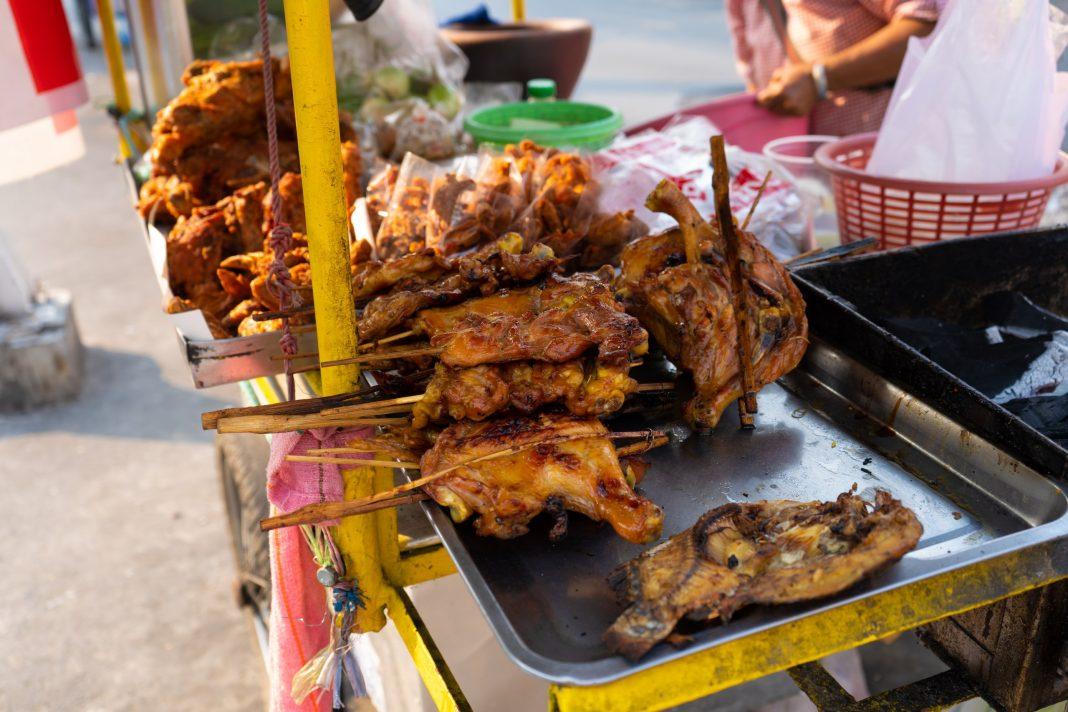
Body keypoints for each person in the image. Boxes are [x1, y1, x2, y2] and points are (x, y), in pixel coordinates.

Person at [727, 0, 939, 135]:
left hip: (882, 149)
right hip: (798, 159)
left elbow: (925, 26)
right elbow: (749, 65)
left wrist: (819, 78)